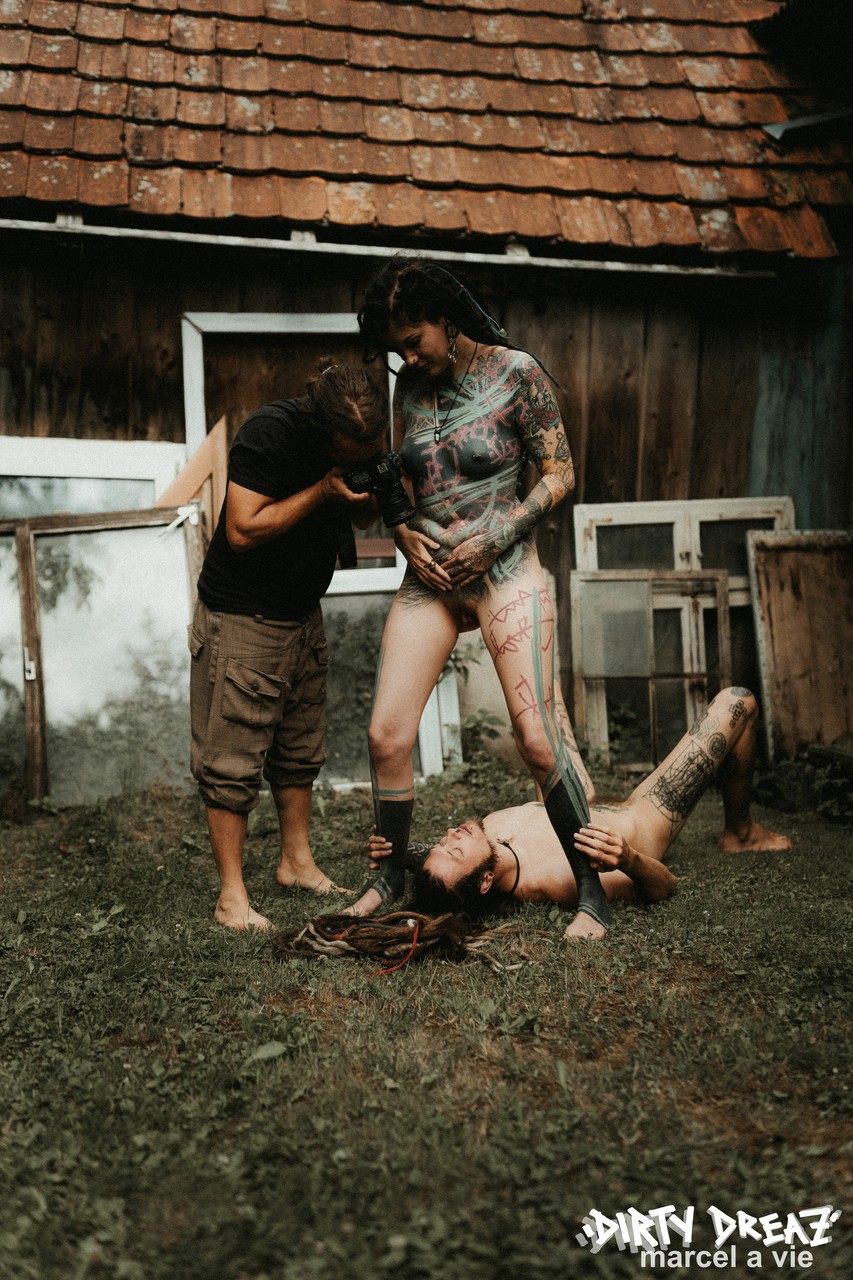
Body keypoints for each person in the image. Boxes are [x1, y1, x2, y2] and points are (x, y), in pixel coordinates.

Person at [350, 256, 606, 935]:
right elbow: (397, 478)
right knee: (385, 734)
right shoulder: (408, 387)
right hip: (431, 579)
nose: (407, 358)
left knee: (537, 738)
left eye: (414, 341)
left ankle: (592, 893)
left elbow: (559, 473)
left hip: (505, 567)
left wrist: (495, 539)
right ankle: (386, 879)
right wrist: (401, 532)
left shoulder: (516, 373)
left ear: (446, 318)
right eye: (396, 349)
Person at [190, 363, 389, 931]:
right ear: (324, 433)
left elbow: (359, 512)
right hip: (243, 616)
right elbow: (241, 529)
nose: (358, 458)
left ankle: (296, 863)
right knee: (231, 761)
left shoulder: (358, 441)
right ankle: (232, 897)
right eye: (349, 453)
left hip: (302, 614)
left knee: (300, 748)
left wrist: (365, 493)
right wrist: (322, 490)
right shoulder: (269, 433)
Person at [367, 686, 791, 939]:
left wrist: (396, 851)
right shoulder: (556, 879)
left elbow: (435, 865)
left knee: (535, 684)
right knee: (738, 701)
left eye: (442, 843)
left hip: (571, 796)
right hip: (642, 817)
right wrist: (628, 857)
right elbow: (664, 887)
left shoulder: (483, 849)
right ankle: (740, 833)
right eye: (455, 849)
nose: (451, 835)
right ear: (485, 881)